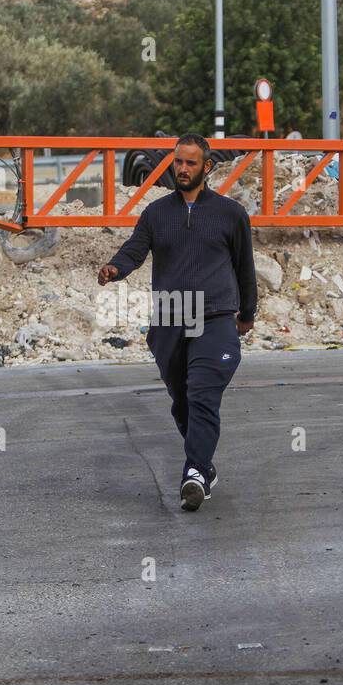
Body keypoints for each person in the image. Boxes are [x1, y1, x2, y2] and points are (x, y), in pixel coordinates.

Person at [97, 133, 258, 512]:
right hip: (171, 316)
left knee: (203, 393)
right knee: (182, 401)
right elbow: (135, 249)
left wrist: (247, 313)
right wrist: (115, 268)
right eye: (178, 162)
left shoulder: (230, 213)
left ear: (207, 167)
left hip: (216, 316)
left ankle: (194, 474)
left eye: (190, 163)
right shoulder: (157, 213)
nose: (182, 169)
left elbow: (244, 266)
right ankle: (204, 465)